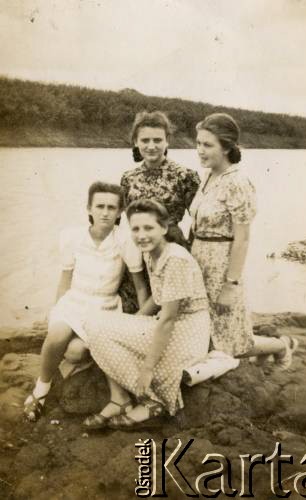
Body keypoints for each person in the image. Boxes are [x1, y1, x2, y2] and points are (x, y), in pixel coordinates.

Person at [23, 182, 148, 421]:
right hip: (75, 301)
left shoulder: (125, 241)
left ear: (120, 211)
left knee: (75, 351)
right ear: (88, 208)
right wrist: (55, 310)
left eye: (112, 207)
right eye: (99, 206)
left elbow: (140, 285)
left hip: (104, 306)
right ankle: (41, 390)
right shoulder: (72, 237)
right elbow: (65, 279)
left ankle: (77, 364)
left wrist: (142, 324)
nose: (105, 212)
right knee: (58, 334)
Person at [83, 199, 210, 430]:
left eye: (148, 228)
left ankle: (154, 401)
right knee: (95, 324)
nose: (141, 235)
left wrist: (147, 369)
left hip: (187, 332)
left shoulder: (175, 259)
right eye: (136, 229)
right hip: (169, 324)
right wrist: (133, 321)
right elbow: (158, 298)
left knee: (102, 329)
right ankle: (119, 399)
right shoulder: (153, 253)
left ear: (164, 228)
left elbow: (169, 318)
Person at [190, 113, 298, 368]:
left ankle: (283, 345)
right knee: (207, 335)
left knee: (232, 343)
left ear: (226, 147)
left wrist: (231, 284)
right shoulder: (208, 176)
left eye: (207, 145)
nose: (200, 151)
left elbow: (243, 239)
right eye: (198, 143)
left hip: (221, 269)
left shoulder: (238, 182)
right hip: (199, 264)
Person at [118, 110, 201, 314]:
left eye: (158, 140)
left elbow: (199, 220)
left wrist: (191, 252)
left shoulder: (185, 176)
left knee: (171, 312)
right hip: (138, 249)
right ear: (135, 142)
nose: (151, 146)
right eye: (145, 140)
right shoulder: (128, 178)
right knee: (137, 308)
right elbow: (121, 223)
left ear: (167, 142)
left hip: (170, 250)